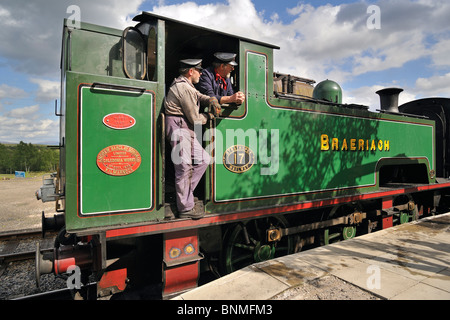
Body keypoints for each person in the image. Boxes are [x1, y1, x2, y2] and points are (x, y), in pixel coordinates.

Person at [164, 58, 221, 219]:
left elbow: (199, 95)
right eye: (199, 71)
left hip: (184, 127)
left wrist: (211, 99)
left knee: (203, 159)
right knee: (184, 167)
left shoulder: (188, 85)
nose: (201, 74)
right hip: (179, 126)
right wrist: (208, 115)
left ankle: (184, 195)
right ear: (191, 72)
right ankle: (185, 208)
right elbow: (196, 119)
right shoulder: (183, 88)